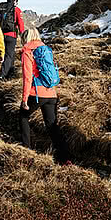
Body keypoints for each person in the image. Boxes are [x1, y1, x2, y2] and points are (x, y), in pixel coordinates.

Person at [18, 27, 71, 162]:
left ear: (25, 38)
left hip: (36, 93)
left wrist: (24, 99)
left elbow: (27, 77)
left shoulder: (27, 51)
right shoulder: (45, 50)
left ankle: (26, 150)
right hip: (51, 93)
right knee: (52, 126)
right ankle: (65, 158)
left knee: (23, 117)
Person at [0, 0, 26, 80]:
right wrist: (22, 35)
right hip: (11, 35)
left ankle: (10, 73)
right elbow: (20, 23)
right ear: (15, 1)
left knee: (10, 54)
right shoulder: (16, 9)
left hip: (1, 35)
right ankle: (2, 75)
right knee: (9, 55)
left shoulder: (1, 10)